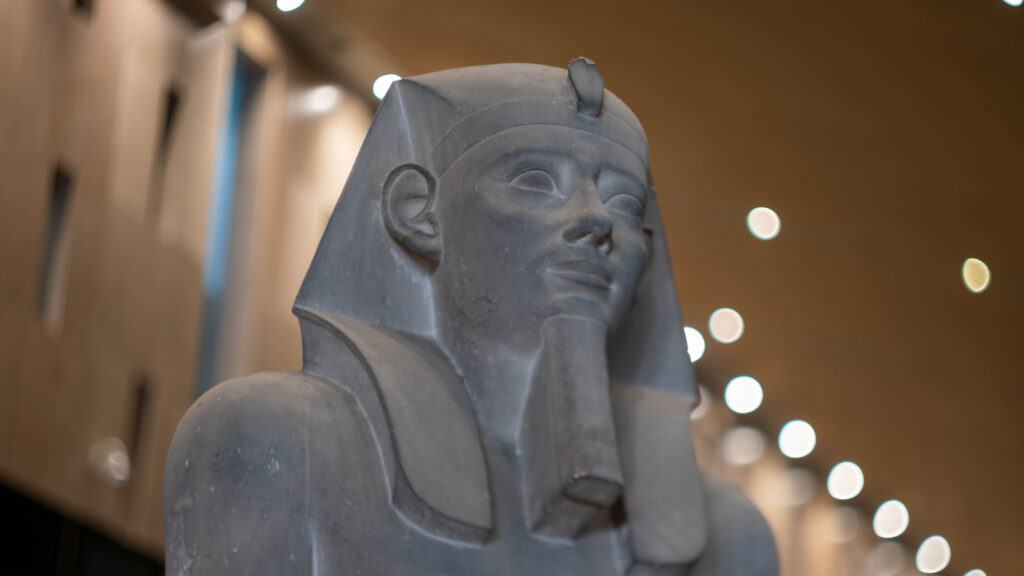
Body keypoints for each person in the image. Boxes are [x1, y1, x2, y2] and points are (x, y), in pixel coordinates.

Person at [164, 58, 777, 576]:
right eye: (536, 181)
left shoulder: (727, 537)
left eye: (623, 201)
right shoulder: (279, 441)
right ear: (418, 213)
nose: (596, 220)